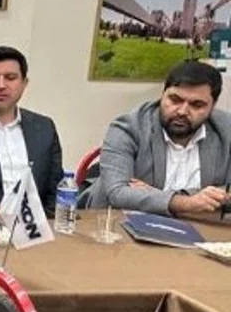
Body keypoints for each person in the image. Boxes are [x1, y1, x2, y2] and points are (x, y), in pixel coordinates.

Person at [88, 60, 231, 217]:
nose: (182, 111)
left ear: (213, 106)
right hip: (119, 222)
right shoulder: (128, 127)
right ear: (162, 95)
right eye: (175, 100)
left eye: (196, 105)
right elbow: (119, 193)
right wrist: (189, 202)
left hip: (198, 225)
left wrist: (157, 194)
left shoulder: (226, 129)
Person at [0, 46, 64, 213]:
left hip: (36, 225)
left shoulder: (44, 127)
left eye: (10, 78)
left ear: (24, 83)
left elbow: (55, 189)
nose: (1, 85)